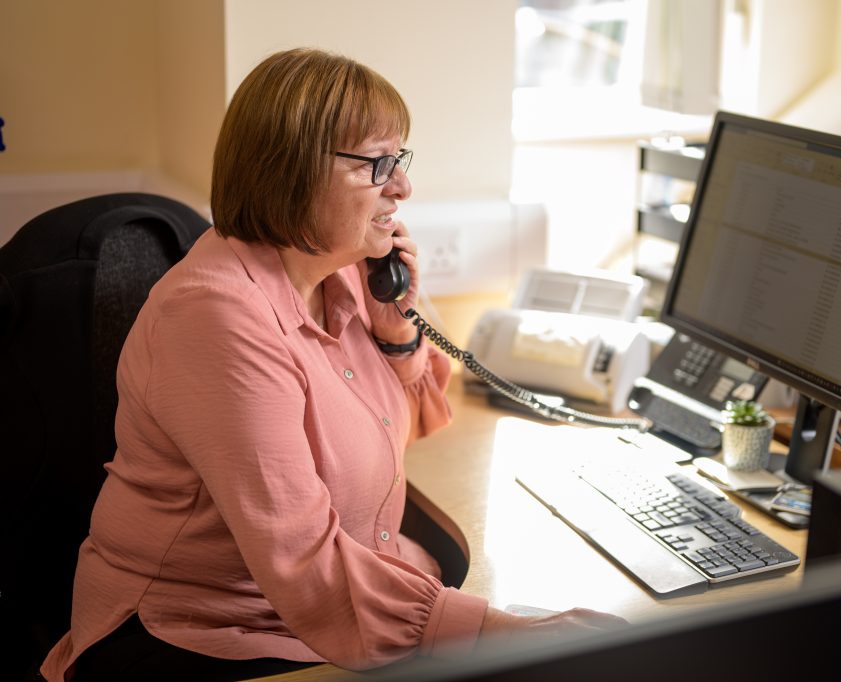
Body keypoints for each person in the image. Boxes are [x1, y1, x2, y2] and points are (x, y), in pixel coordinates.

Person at [40, 48, 623, 681]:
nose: (402, 187)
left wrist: (399, 325)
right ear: (290, 173)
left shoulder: (339, 271)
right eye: (377, 164)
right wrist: (498, 631)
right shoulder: (217, 318)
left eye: (399, 160)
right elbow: (300, 560)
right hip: (201, 632)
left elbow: (409, 428)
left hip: (315, 604)